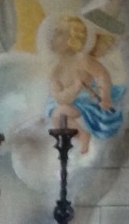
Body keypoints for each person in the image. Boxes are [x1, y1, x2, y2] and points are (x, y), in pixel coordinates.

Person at [46, 15, 121, 155]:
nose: (53, 37)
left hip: (90, 102)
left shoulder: (82, 59)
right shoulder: (56, 68)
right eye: (55, 33)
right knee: (56, 114)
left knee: (58, 113)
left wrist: (105, 96)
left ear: (72, 38)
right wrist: (74, 89)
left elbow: (102, 75)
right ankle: (79, 136)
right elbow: (59, 97)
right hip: (70, 103)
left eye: (60, 33)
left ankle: (83, 135)